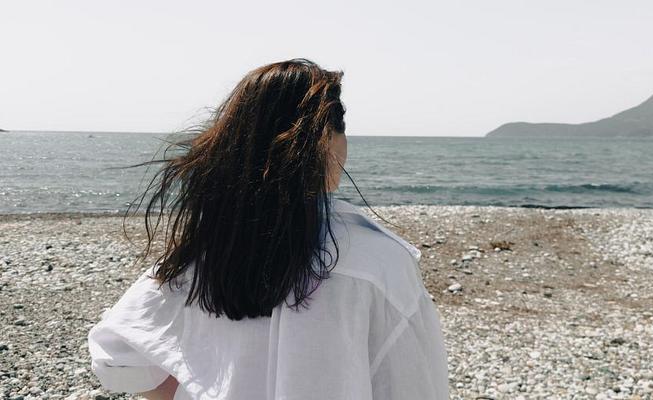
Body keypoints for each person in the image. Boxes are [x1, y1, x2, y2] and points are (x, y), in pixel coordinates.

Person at [87, 58, 449, 400]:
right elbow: (415, 386)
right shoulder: (378, 264)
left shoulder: (210, 249)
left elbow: (118, 353)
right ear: (325, 138)